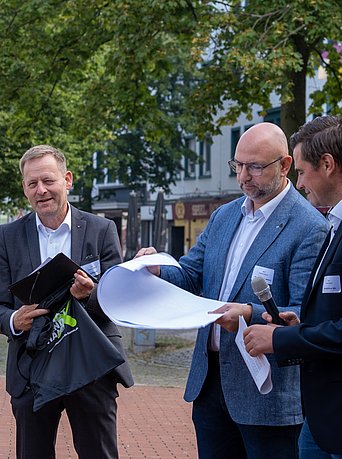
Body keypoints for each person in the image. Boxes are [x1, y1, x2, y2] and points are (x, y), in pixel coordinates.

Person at [137, 122, 329, 459]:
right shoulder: (224, 215)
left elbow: (305, 312)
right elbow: (192, 274)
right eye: (237, 165)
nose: (243, 176)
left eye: (255, 167)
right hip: (210, 382)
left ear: (285, 166)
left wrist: (249, 313)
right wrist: (156, 267)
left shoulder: (309, 227)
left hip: (266, 393)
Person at [0, 145, 133, 459]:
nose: (41, 190)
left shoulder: (102, 230)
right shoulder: (6, 237)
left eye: (48, 180)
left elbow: (120, 300)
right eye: (32, 184)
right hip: (31, 365)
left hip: (90, 363)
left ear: (67, 179)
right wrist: (13, 321)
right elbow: (0, 304)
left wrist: (90, 294)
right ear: (24, 188)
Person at [243, 115, 342, 458]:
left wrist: (282, 339)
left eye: (301, 171)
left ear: (327, 164)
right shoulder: (333, 225)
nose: (299, 184)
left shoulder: (319, 225)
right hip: (320, 417)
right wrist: (299, 326)